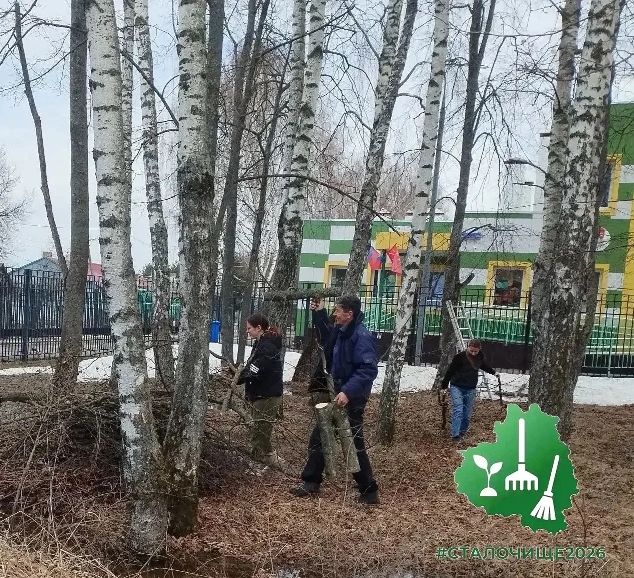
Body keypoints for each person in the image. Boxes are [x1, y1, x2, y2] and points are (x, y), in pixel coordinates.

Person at [290, 295, 380, 504]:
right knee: (321, 436)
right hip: (337, 395)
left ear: (349, 314)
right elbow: (326, 338)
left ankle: (369, 491)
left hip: (351, 398)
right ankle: (312, 481)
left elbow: (368, 370)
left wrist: (347, 392)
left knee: (353, 444)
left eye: (338, 311)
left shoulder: (361, 336)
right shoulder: (342, 331)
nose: (335, 314)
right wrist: (319, 312)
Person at [237, 313, 285, 469]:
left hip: (266, 395)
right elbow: (251, 367)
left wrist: (240, 377)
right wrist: (238, 374)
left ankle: (256, 464)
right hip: (260, 394)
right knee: (261, 429)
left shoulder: (268, 347)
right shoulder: (260, 343)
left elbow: (256, 370)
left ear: (259, 328)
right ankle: (274, 461)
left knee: (259, 433)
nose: (247, 331)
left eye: (249, 328)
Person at [440, 339, 499, 442]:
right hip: (457, 386)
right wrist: (444, 386)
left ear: (479, 349)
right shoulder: (459, 357)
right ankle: (455, 435)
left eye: (475, 351)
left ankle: (462, 432)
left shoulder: (480, 358)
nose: (473, 353)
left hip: (470, 388)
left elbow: (484, 366)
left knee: (467, 414)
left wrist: (494, 373)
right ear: (468, 347)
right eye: (471, 350)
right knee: (458, 409)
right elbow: (450, 371)